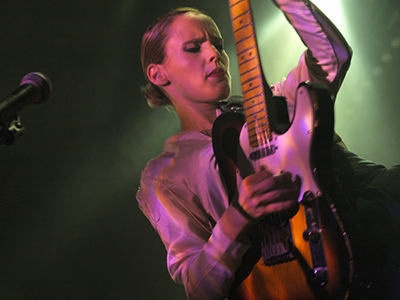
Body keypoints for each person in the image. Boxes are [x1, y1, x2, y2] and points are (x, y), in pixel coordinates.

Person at [136, 0, 399, 299]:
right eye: (194, 48)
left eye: (218, 44)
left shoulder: (277, 102)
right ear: (158, 74)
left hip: (381, 222)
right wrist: (237, 217)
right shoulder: (166, 174)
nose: (215, 55)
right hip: (311, 279)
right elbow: (199, 288)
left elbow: (332, 56)